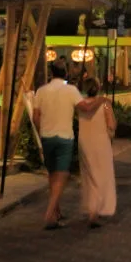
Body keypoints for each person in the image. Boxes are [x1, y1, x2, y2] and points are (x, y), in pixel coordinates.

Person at [33, 62, 107, 230]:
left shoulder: (42, 91)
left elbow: (36, 116)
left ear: (51, 73)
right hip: (64, 137)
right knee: (62, 175)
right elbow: (86, 108)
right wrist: (101, 100)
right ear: (65, 72)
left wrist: (41, 131)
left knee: (53, 175)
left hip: (47, 136)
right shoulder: (71, 90)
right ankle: (49, 213)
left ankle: (55, 212)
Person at [77, 77, 117, 227]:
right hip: (100, 143)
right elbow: (112, 124)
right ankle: (96, 210)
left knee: (88, 175)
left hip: (84, 142)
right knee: (101, 175)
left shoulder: (80, 104)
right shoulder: (104, 104)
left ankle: (90, 206)